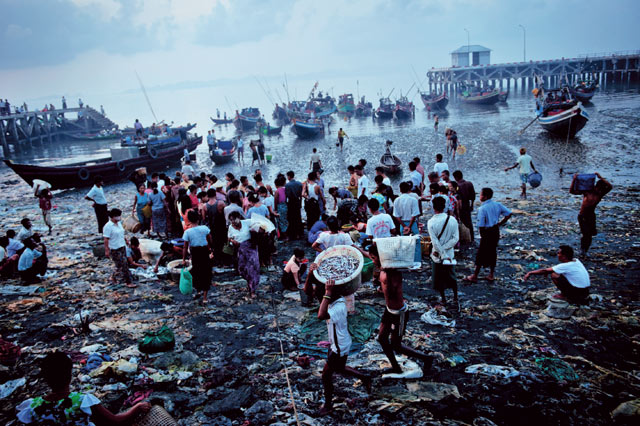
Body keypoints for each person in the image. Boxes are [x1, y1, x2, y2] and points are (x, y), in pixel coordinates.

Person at [16, 351, 151, 425]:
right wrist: (137, 407)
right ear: (70, 375)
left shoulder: (32, 406)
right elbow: (115, 421)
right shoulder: (82, 401)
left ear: (45, 378)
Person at [368, 244, 433, 375]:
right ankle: (395, 367)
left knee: (396, 345)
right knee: (381, 339)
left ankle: (426, 358)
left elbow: (392, 293)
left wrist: (383, 287)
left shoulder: (392, 274)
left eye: (374, 258)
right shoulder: (383, 269)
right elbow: (368, 254)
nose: (372, 261)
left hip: (399, 313)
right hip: (389, 310)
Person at [317, 279, 371, 416]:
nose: (324, 292)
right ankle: (364, 378)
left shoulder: (339, 307)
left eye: (327, 291)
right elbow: (308, 292)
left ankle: (328, 405)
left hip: (339, 346)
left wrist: (327, 292)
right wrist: (312, 273)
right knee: (339, 368)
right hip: (339, 342)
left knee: (326, 375)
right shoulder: (336, 300)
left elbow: (321, 315)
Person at [464, 188, 512, 283]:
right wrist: (500, 223)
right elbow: (508, 214)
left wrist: (482, 235)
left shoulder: (482, 208)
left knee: (481, 253)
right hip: (495, 230)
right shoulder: (497, 204)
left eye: (481, 195)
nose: (480, 197)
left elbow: (481, 225)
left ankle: (475, 275)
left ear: (485, 197)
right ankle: (491, 274)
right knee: (492, 251)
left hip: (487, 231)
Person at [523, 245, 590, 303]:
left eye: (559, 253)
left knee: (554, 275)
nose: (557, 255)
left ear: (564, 256)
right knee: (556, 272)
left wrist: (530, 272)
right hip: (586, 291)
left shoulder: (565, 266)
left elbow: (544, 270)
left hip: (579, 292)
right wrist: (547, 272)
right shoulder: (576, 261)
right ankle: (571, 294)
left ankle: (565, 295)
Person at [569, 172, 612, 257]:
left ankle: (585, 250)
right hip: (582, 216)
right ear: (595, 186)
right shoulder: (587, 192)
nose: (598, 189)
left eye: (600, 189)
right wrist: (574, 179)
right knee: (586, 234)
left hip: (591, 216)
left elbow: (610, 187)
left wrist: (601, 177)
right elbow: (571, 191)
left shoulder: (600, 194)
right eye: (597, 187)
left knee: (591, 234)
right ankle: (582, 250)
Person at [428, 197, 460, 308]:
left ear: (433, 207)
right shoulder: (452, 220)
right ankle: (455, 297)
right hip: (450, 254)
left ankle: (444, 299)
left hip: (437, 255)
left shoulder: (431, 222)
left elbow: (435, 242)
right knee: (452, 275)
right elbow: (456, 239)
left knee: (439, 278)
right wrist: (446, 251)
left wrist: (441, 252)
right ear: (444, 206)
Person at [182, 210, 214, 305]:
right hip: (204, 252)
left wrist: (184, 259)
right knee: (206, 273)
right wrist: (212, 250)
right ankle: (204, 297)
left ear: (188, 220)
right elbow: (210, 239)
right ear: (198, 218)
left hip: (195, 253)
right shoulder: (204, 228)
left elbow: (185, 246)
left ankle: (199, 291)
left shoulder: (188, 232)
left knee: (196, 272)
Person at [228, 211, 260, 299]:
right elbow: (229, 237)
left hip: (251, 248)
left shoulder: (247, 222)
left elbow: (258, 225)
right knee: (242, 269)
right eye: (231, 220)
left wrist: (258, 230)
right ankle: (249, 283)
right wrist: (232, 241)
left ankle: (252, 290)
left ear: (239, 217)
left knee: (252, 269)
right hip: (240, 250)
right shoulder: (231, 227)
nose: (233, 222)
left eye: (234, 219)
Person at [103, 209, 135, 288]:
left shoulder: (119, 224)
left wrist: (126, 240)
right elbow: (106, 239)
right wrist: (106, 250)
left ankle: (113, 276)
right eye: (117, 216)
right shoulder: (108, 226)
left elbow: (121, 233)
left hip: (122, 246)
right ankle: (128, 282)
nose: (119, 217)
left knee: (120, 265)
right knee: (123, 264)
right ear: (113, 217)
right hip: (114, 248)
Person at [453, 170, 476, 242]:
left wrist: (458, 209)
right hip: (468, 204)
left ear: (456, 177)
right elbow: (473, 196)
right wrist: (472, 205)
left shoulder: (457, 186)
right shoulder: (469, 183)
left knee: (462, 221)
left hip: (461, 205)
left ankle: (464, 237)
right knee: (469, 221)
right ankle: (471, 237)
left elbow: (458, 197)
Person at [285, 171, 304, 240]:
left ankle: (293, 234)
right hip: (297, 202)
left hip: (291, 203)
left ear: (289, 176)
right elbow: (301, 195)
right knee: (298, 217)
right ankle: (300, 233)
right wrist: (301, 203)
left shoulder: (287, 185)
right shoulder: (299, 184)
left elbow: (287, 196)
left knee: (291, 219)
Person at [274, 175, 289, 241]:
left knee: (281, 222)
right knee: (285, 220)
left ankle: (285, 236)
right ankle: (287, 234)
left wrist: (275, 209)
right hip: (285, 205)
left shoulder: (277, 191)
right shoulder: (285, 189)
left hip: (280, 207)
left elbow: (276, 201)